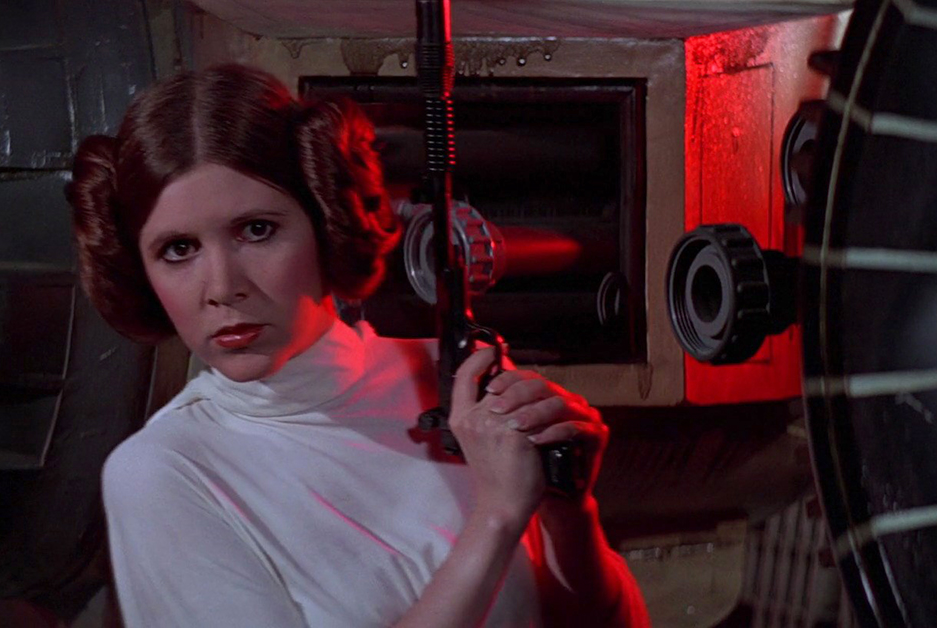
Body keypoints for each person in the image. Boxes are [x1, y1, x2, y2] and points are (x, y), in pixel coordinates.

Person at [67, 63, 649, 628]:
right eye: (178, 249)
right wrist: (496, 516)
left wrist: (569, 513)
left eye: (257, 230)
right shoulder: (164, 472)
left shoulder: (449, 378)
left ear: (327, 221)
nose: (221, 287)